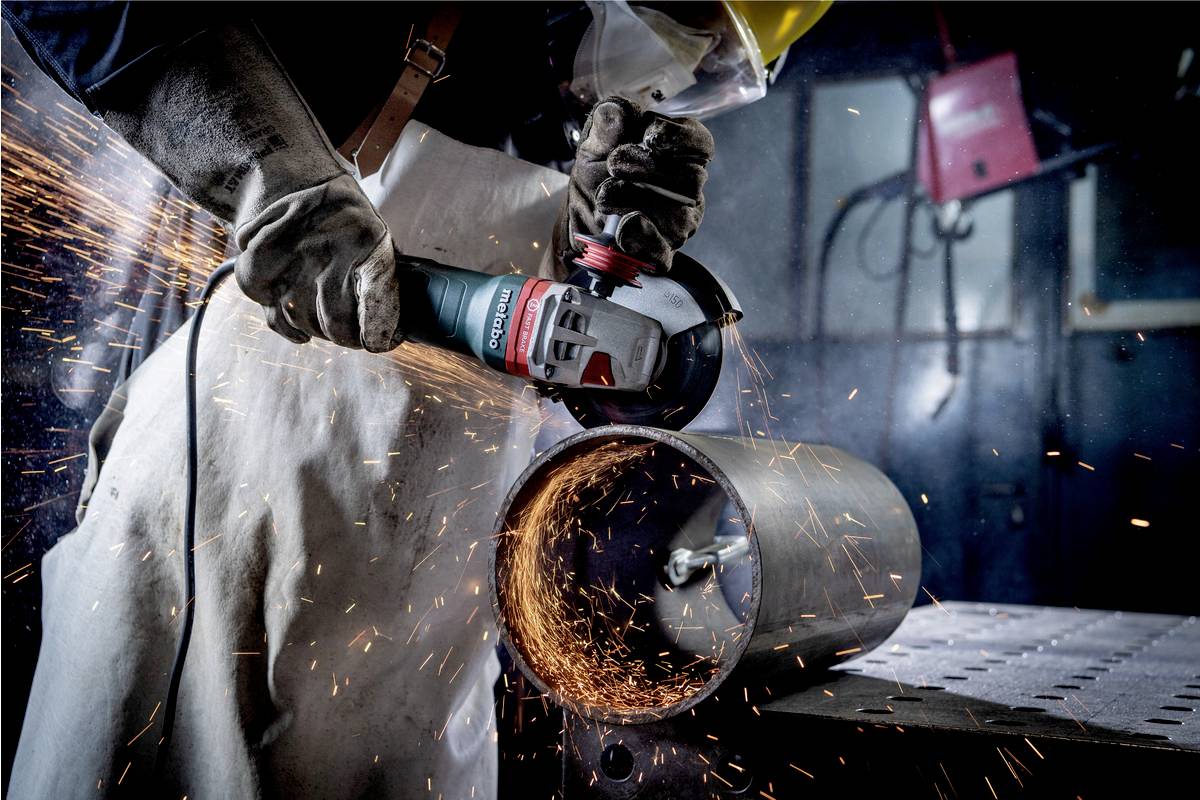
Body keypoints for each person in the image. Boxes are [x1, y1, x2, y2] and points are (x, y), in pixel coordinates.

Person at [2, 2, 826, 796]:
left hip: (444, 527)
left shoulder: (562, 71)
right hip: (257, 423)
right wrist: (268, 168)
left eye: (709, 55)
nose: (673, 58)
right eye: (679, 18)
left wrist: (591, 229)